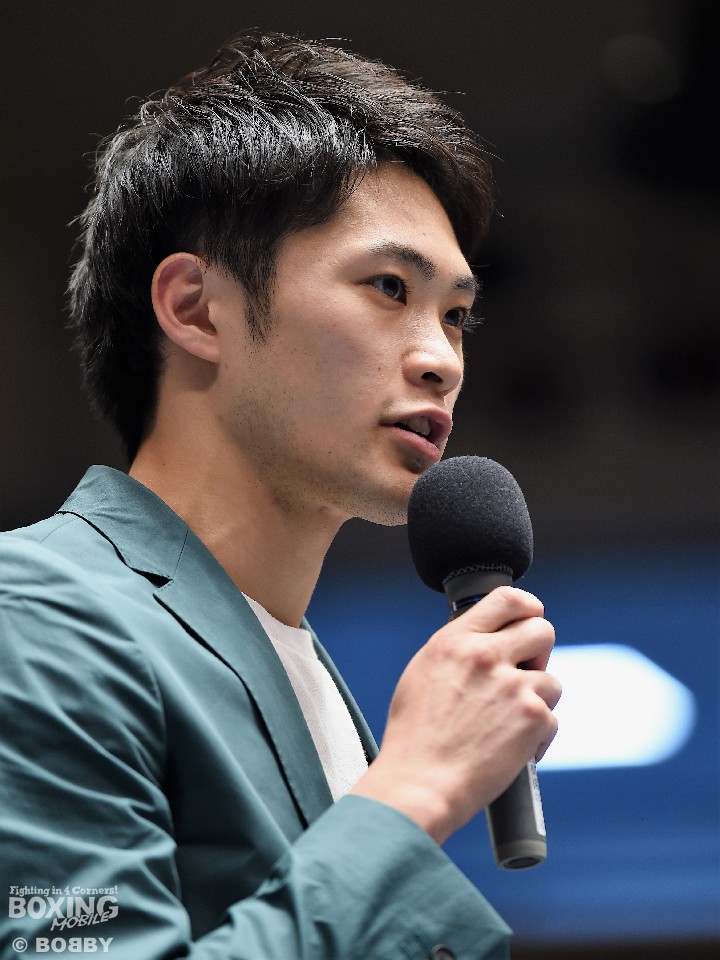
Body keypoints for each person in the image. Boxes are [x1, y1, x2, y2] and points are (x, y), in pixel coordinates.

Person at [0, 30, 561, 960]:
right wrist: (413, 791)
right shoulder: (33, 610)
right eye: (389, 286)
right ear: (195, 307)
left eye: (457, 315)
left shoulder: (305, 670)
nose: (441, 358)